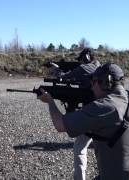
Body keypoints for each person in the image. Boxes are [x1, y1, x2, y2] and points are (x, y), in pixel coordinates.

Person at [38, 63, 129, 180]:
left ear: (104, 82)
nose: (91, 87)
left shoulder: (104, 106)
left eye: (93, 82)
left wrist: (50, 102)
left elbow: (60, 125)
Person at [52, 48, 100, 180]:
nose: (80, 63)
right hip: (104, 114)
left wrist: (57, 70)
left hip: (93, 114)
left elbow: (62, 78)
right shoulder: (99, 68)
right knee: (102, 149)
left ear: (87, 57)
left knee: (79, 148)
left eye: (81, 60)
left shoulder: (85, 68)